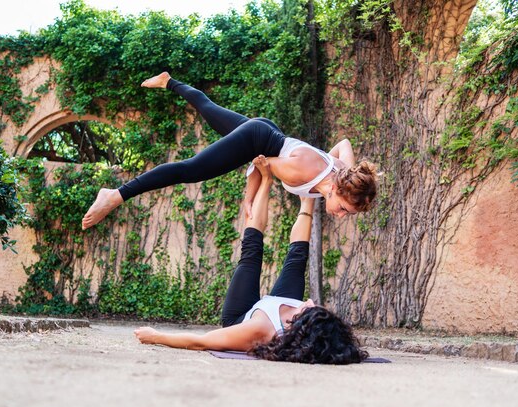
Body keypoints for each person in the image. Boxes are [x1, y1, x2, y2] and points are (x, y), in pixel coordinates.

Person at [134, 156, 368, 365]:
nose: (309, 300)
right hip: (279, 308)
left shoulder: (257, 330)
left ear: (297, 323)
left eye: (310, 307)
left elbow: (201, 341)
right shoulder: (298, 314)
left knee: (251, 253)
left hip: (243, 314)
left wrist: (155, 336)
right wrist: (318, 182)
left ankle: (265, 181)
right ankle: (308, 199)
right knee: (298, 257)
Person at [82, 72, 378, 230]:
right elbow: (261, 165)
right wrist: (248, 200)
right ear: (337, 191)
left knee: (209, 110)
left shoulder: (341, 172)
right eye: (343, 209)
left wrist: (339, 173)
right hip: (258, 140)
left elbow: (344, 144)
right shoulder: (303, 170)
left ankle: (168, 81)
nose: (339, 215)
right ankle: (115, 195)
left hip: (269, 131)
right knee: (191, 170)